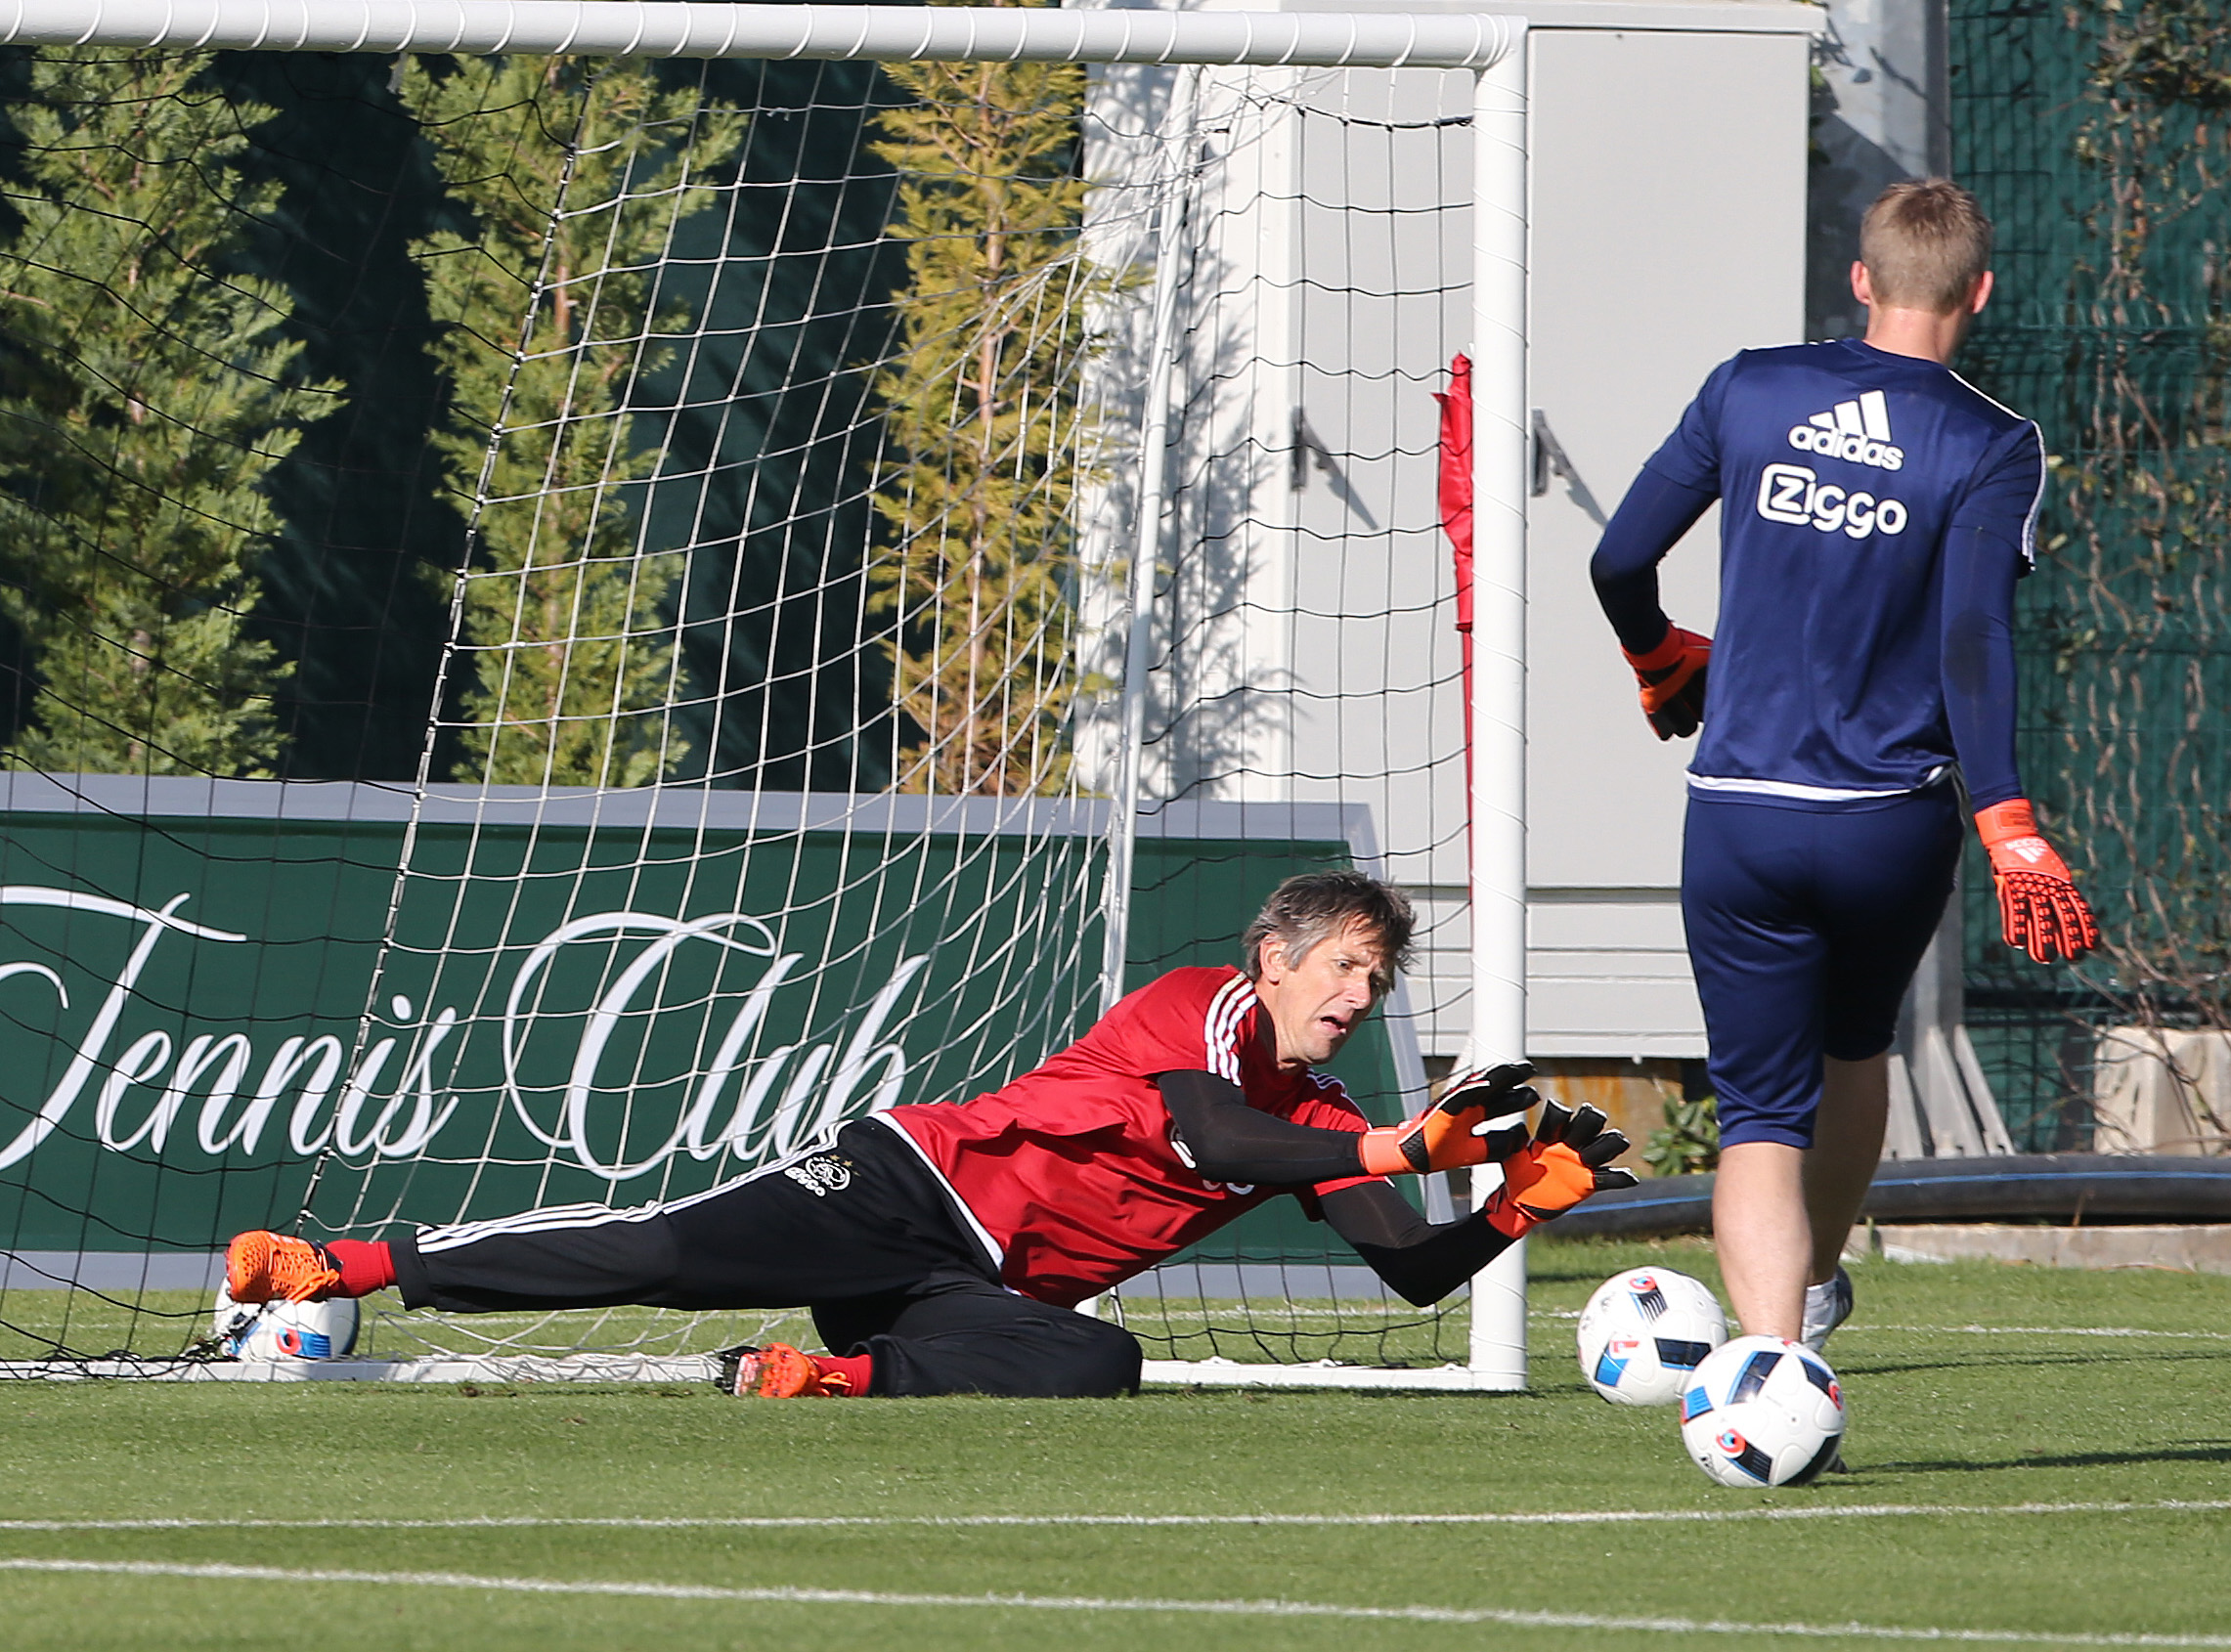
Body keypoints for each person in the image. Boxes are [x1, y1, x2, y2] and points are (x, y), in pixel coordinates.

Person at [223, 871, 1635, 1398]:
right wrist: (1400, 1148)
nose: (1356, 994)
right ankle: (335, 1262)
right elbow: (1210, 1136)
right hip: (905, 1182)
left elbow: (1406, 1271)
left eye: (1374, 983)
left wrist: (1515, 1204)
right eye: (1339, 967)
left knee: (1099, 1363)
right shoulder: (1202, 1011)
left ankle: (830, 1377)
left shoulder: (1326, 1119)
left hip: (966, 1291)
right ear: (1269, 956)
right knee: (656, 1250)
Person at [1589, 179, 2097, 1353]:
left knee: (1761, 1111)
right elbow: (1974, 640)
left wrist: (1661, 657)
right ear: (1978, 291)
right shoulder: (1989, 442)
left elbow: (1619, 560)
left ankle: (1766, 1368)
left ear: (1861, 281)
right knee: (1857, 1041)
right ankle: (1814, 1296)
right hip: (1886, 821)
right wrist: (2007, 816)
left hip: (1740, 816)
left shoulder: (1752, 385)